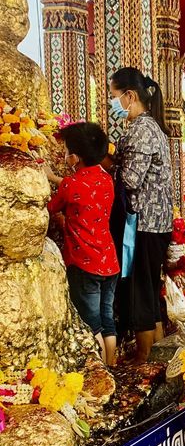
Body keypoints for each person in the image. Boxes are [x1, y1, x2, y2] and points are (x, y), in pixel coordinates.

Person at [110, 67, 173, 363]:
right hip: (156, 222)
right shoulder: (151, 127)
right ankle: (157, 355)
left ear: (130, 96)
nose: (114, 103)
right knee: (147, 290)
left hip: (145, 223)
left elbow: (132, 180)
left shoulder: (140, 130)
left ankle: (145, 358)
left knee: (140, 293)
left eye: (115, 97)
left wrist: (109, 167)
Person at [45, 123, 119, 365]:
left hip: (84, 263)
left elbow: (51, 207)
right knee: (107, 320)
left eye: (66, 151)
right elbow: (82, 191)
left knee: (91, 323)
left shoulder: (70, 184)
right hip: (109, 262)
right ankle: (112, 367)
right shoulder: (107, 180)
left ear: (75, 157)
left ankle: (100, 374)